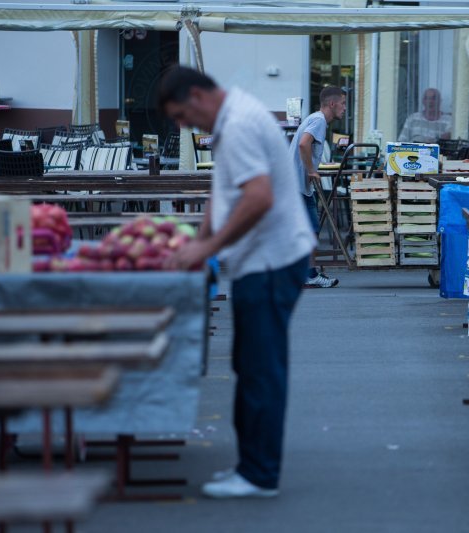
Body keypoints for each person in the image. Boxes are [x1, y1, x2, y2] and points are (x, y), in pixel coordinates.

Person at [159, 66, 316, 499]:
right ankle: (253, 466)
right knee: (251, 365)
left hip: (270, 261)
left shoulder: (240, 123)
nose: (183, 125)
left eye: (181, 114)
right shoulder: (234, 118)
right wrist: (201, 238)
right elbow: (223, 190)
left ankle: (259, 473)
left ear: (197, 95)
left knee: (260, 368)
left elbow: (258, 197)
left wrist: (206, 249)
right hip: (264, 259)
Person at [288, 86, 346, 288]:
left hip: (297, 185)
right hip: (297, 184)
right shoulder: (319, 120)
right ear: (332, 104)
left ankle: (306, 273)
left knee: (307, 231)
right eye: (343, 103)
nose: (345, 108)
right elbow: (304, 144)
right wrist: (312, 170)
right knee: (311, 229)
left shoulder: (315, 118)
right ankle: (308, 275)